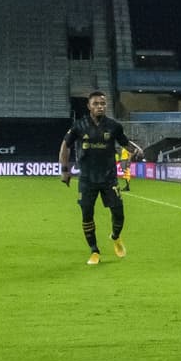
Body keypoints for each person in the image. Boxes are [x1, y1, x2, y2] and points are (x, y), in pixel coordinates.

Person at [60, 91, 144, 265]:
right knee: (87, 214)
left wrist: (137, 149)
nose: (100, 106)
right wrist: (65, 170)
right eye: (96, 104)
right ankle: (94, 251)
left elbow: (125, 142)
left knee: (119, 213)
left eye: (103, 104)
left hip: (109, 178)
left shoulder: (114, 126)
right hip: (87, 179)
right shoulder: (79, 126)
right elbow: (65, 146)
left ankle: (115, 236)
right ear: (89, 106)